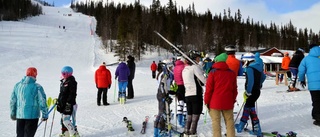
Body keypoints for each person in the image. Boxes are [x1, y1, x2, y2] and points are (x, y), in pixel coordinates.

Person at [204, 53, 238, 137]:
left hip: (215, 102)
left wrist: (206, 101)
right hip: (228, 102)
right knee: (229, 122)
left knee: (216, 122)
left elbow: (209, 89)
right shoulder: (232, 73)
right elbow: (234, 90)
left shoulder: (212, 73)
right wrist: (232, 100)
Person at [10, 67, 48, 137]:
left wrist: (13, 113)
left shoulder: (17, 86)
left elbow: (13, 101)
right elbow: (42, 100)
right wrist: (45, 114)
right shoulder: (37, 87)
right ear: (35, 75)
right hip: (32, 116)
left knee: (20, 135)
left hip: (20, 116)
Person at [235, 52, 266, 137]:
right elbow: (263, 77)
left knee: (248, 108)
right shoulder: (259, 67)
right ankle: (252, 127)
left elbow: (251, 81)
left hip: (251, 91)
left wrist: (248, 91)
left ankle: (244, 126)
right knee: (249, 108)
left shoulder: (250, 68)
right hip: (257, 91)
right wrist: (259, 84)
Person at [182, 50, 207, 136]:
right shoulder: (194, 68)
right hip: (196, 94)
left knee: (189, 114)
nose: (199, 60)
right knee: (195, 115)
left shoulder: (185, 69)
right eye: (198, 58)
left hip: (188, 94)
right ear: (194, 58)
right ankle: (192, 132)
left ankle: (186, 131)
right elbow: (203, 80)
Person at [298, 44, 320, 126]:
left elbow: (301, 71)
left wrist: (302, 79)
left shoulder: (306, 59)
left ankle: (318, 118)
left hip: (314, 85)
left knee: (316, 101)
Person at [56, 66, 79, 137]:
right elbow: (62, 93)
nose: (63, 75)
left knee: (66, 120)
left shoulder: (72, 82)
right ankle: (66, 133)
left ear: (69, 73)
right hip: (63, 103)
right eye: (62, 73)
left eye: (64, 73)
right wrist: (59, 101)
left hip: (69, 104)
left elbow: (72, 94)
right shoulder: (63, 82)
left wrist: (69, 103)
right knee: (62, 120)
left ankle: (74, 133)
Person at [154, 60, 175, 137]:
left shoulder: (165, 73)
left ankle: (157, 130)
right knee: (163, 113)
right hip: (162, 94)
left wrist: (171, 92)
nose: (172, 68)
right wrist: (165, 96)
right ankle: (160, 131)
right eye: (171, 67)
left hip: (163, 94)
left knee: (162, 112)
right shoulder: (164, 74)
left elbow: (166, 86)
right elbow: (162, 85)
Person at [173, 57, 187, 127]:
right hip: (183, 85)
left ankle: (179, 119)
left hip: (178, 85)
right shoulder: (183, 67)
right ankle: (185, 118)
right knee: (185, 102)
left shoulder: (175, 67)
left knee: (180, 102)